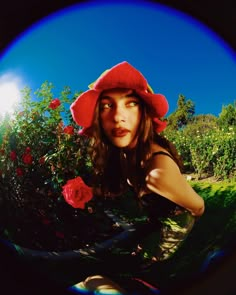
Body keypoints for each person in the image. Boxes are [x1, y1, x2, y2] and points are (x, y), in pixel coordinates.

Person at [69, 61, 205, 294]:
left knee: (110, 275)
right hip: (155, 223)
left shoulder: (157, 174)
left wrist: (165, 239)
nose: (118, 116)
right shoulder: (124, 155)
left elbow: (198, 208)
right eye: (105, 106)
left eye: (130, 104)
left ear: (144, 114)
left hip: (173, 229)